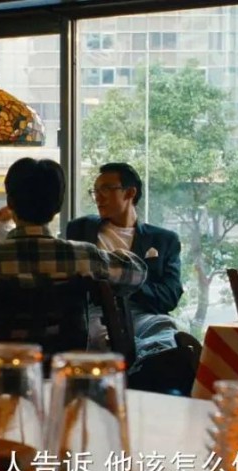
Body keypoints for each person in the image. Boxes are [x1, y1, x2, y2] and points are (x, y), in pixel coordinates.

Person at [0, 157, 147, 331]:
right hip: (63, 362)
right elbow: (138, 272)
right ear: (58, 206)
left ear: (10, 202)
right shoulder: (84, 257)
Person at [67, 162, 201, 391]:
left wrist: (126, 282)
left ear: (130, 192)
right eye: (95, 190)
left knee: (163, 326)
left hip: (143, 314)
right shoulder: (80, 229)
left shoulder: (163, 240)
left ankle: (159, 361)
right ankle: (147, 369)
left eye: (106, 189)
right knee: (104, 336)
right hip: (96, 312)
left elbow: (169, 296)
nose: (98, 197)